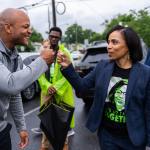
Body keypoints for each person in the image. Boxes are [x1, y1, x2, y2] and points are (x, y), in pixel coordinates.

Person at [57, 25, 150, 150]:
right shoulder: (103, 66)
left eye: (114, 42)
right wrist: (68, 67)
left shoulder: (145, 73)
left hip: (133, 139)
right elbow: (82, 87)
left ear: (129, 45)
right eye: (108, 42)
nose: (109, 46)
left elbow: (148, 111)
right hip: (107, 137)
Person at [0, 8, 55, 150]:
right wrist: (41, 61)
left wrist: (21, 127)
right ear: (8, 28)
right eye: (25, 26)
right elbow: (10, 84)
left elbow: (14, 94)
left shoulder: (15, 57)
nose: (30, 31)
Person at [38, 27, 75, 150]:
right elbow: (38, 73)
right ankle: (44, 145)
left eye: (56, 37)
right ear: (49, 36)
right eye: (51, 36)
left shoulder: (65, 53)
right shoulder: (43, 52)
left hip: (61, 93)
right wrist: (48, 86)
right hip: (46, 92)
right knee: (46, 120)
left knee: (61, 121)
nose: (53, 38)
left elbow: (69, 73)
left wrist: (56, 87)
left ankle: (63, 144)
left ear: (60, 38)